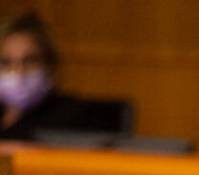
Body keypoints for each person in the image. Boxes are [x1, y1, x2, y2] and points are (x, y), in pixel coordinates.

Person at [0, 11, 126, 140]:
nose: (19, 71)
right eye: (6, 62)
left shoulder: (75, 117)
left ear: (49, 65)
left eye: (30, 61)